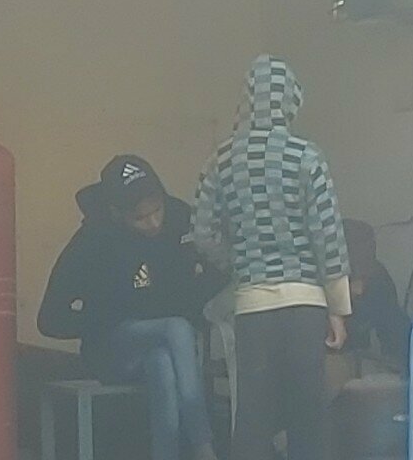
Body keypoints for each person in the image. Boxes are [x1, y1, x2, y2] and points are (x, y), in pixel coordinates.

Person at [192, 56, 351, 460]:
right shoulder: (306, 157)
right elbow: (327, 236)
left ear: (248, 100)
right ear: (290, 100)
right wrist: (338, 309)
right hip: (305, 306)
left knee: (253, 418)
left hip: (252, 306)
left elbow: (203, 231)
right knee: (307, 416)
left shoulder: (222, 159)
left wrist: (239, 263)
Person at [38, 155, 224, 460]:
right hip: (111, 350)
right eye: (140, 217)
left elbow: (209, 278)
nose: (153, 222)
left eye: (157, 210)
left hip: (164, 350)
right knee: (176, 327)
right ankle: (204, 447)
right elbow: (49, 319)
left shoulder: (178, 220)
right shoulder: (91, 241)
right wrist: (103, 318)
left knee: (162, 361)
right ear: (116, 213)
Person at [342, 219, 411, 373]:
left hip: (361, 355)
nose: (367, 249)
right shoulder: (326, 275)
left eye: (369, 243)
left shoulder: (378, 275)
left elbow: (390, 322)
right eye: (357, 244)